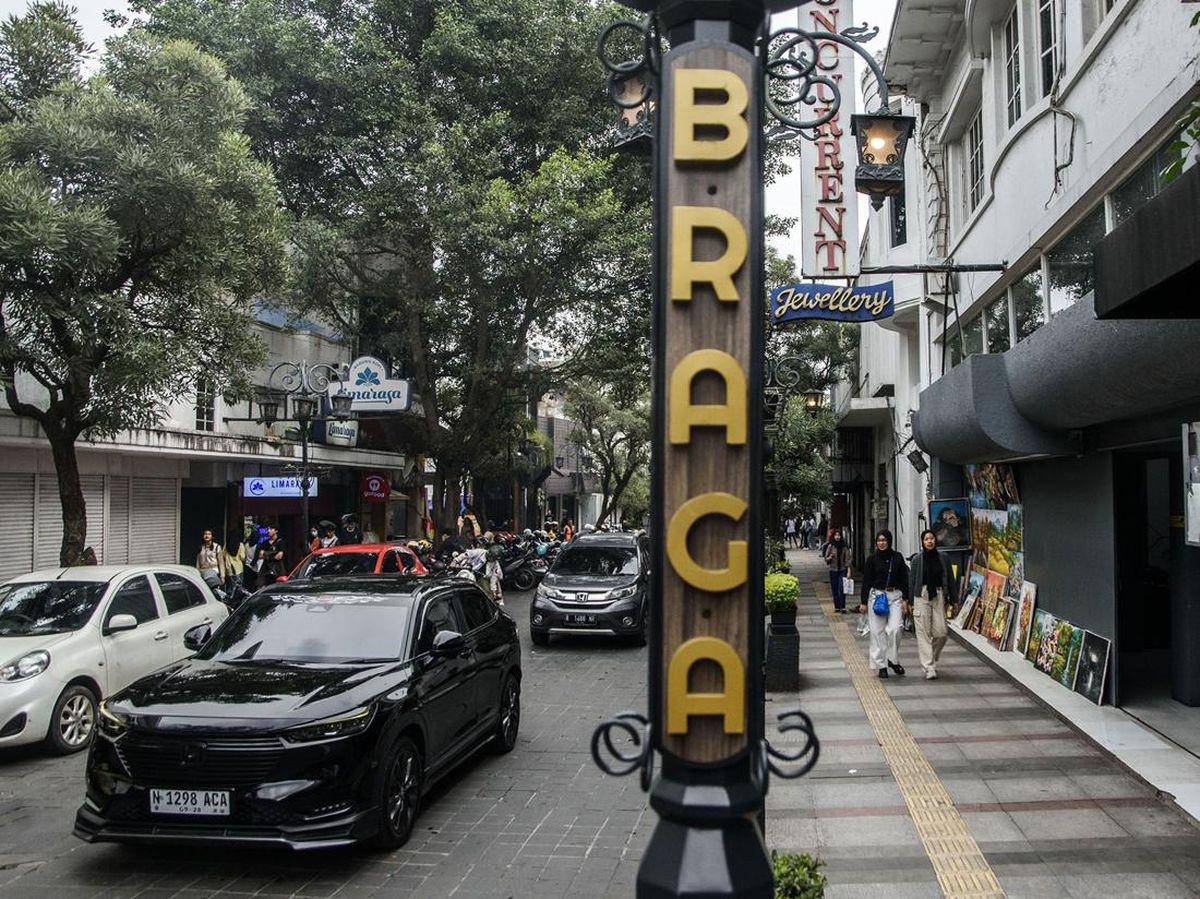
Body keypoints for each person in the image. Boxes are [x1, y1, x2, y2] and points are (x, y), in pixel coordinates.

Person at [858, 529, 911, 678]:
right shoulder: (872, 559)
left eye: (884, 540)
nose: (882, 543)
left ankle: (892, 659)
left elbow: (904, 580)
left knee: (896, 628)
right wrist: (863, 602)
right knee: (877, 632)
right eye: (879, 540)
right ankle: (881, 665)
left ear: (889, 541)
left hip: (895, 596)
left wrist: (906, 600)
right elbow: (866, 581)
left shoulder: (897, 558)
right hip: (877, 597)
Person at [910, 529, 957, 679]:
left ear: (935, 541)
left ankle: (932, 656)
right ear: (922, 542)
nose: (929, 541)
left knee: (942, 632)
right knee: (923, 632)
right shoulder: (917, 559)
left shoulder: (943, 558)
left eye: (932, 539)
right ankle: (929, 666)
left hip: (938, 594)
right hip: (921, 595)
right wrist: (910, 601)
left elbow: (950, 578)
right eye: (926, 539)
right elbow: (912, 581)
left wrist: (954, 600)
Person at [823, 528, 851, 613]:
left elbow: (848, 559)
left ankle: (842, 606)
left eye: (839, 535)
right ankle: (837, 606)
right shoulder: (831, 546)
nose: (837, 537)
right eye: (836, 535)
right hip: (833, 570)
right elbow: (826, 558)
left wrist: (849, 571)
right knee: (834, 588)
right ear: (834, 536)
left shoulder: (844, 546)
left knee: (841, 588)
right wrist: (829, 558)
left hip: (842, 569)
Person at [219, 530, 247, 597]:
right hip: (239, 569)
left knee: (230, 587)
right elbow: (242, 557)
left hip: (229, 569)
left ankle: (230, 600)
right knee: (238, 587)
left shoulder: (226, 545)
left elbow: (223, 556)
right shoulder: (240, 545)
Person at [483, 533, 504, 606]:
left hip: (492, 571)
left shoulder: (491, 548)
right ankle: (497, 600)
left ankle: (496, 600)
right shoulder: (491, 547)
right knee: (495, 586)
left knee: (494, 586)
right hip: (493, 571)